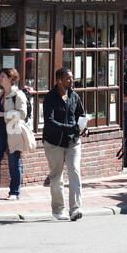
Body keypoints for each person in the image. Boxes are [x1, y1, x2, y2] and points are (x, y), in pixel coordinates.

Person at [42, 67, 86, 221]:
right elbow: (50, 121)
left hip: (73, 141)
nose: (72, 81)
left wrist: (83, 127)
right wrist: (70, 128)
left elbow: (81, 113)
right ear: (59, 80)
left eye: (72, 77)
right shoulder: (50, 98)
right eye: (68, 78)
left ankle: (75, 209)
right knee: (56, 177)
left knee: (74, 172)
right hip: (54, 142)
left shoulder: (74, 96)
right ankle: (58, 209)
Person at [0, 67, 29, 200]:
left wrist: (3, 114)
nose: (0, 78)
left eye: (3, 76)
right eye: (0, 76)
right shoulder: (0, 94)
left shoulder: (18, 95)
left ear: (11, 78)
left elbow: (22, 114)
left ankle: (14, 192)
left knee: (14, 163)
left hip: (13, 132)